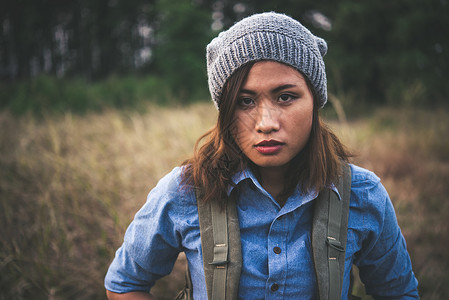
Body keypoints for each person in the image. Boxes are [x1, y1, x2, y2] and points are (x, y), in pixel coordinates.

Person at [104, 12, 419, 299]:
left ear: (315, 101)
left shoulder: (362, 194)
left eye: (286, 97)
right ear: (226, 111)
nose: (267, 123)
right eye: (245, 101)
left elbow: (399, 292)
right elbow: (125, 284)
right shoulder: (185, 191)